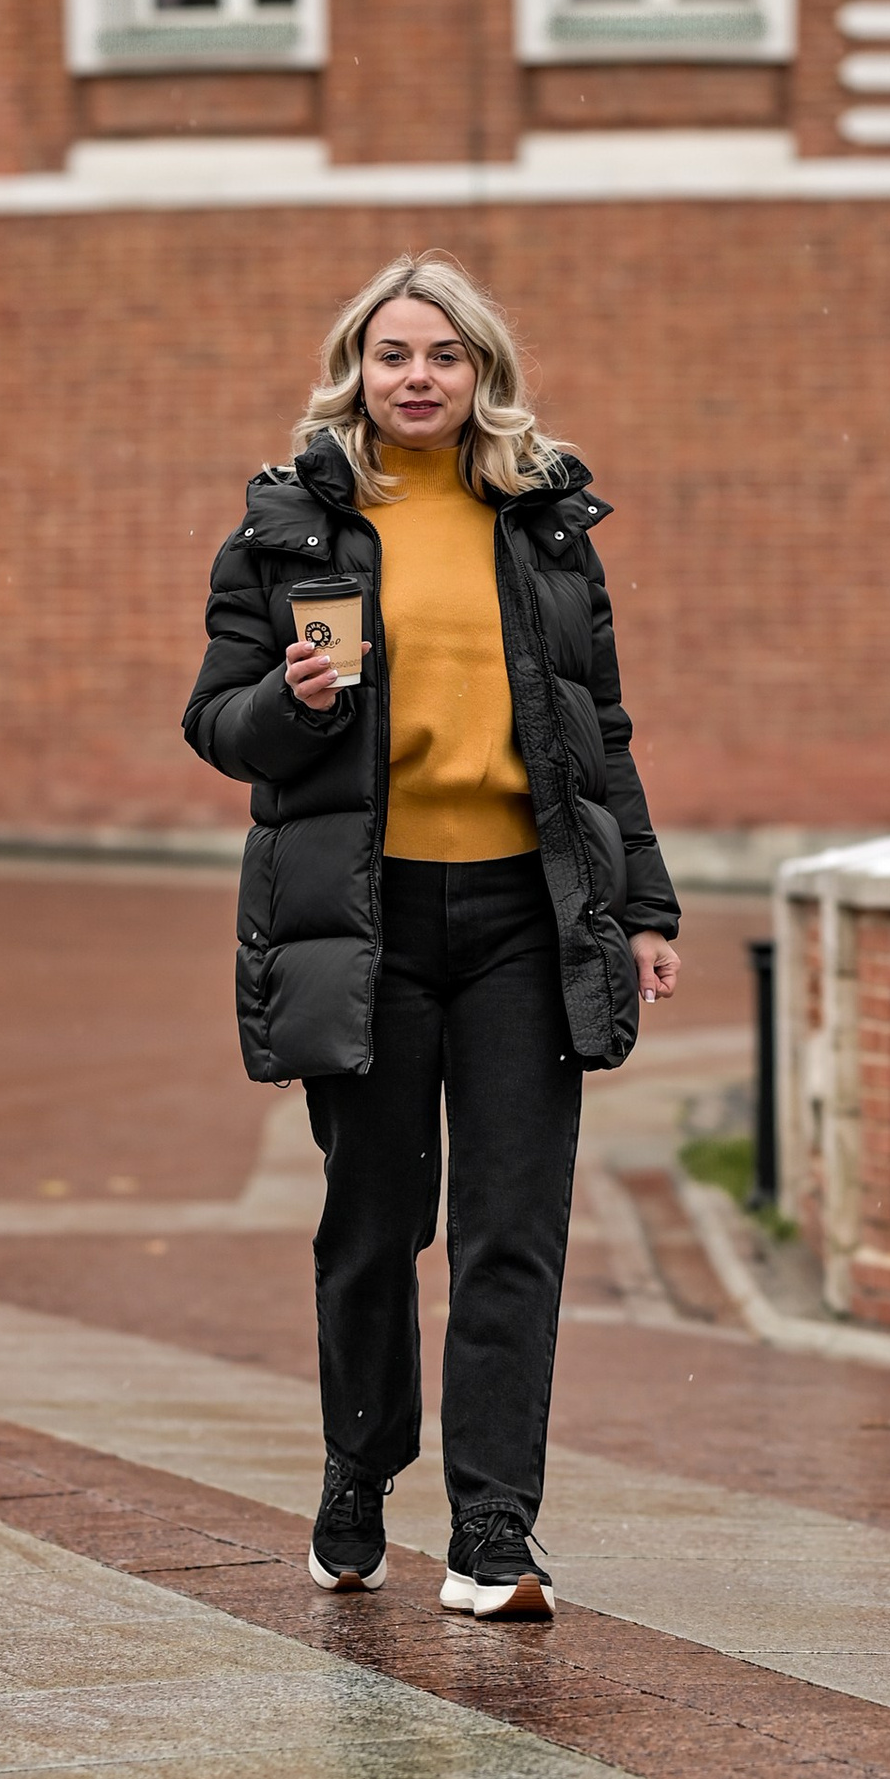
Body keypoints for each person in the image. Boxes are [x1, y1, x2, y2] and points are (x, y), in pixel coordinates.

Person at [182, 252, 679, 1622]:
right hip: (368, 918)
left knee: (512, 1229)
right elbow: (218, 724)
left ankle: (495, 1533)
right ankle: (357, 1471)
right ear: (357, 368)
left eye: (445, 355)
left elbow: (600, 738)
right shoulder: (290, 533)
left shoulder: (546, 526)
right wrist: (290, 703)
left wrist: (642, 903)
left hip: (526, 916)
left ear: (483, 375)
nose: (419, 377)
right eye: (395, 353)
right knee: (377, 1225)